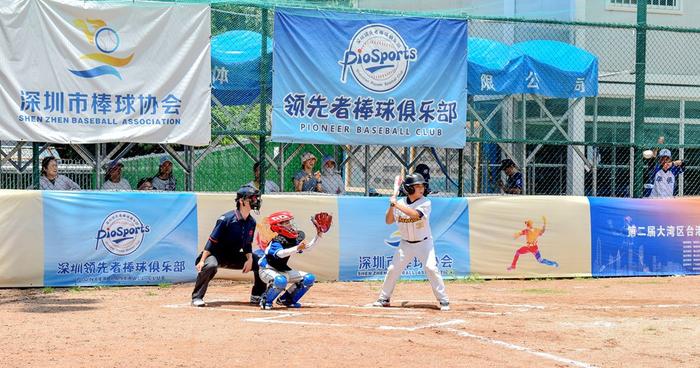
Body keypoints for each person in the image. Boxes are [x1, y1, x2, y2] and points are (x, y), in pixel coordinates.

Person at [372, 173, 450, 311]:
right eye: (418, 186)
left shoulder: (425, 202)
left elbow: (415, 215)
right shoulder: (399, 203)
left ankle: (443, 300)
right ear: (409, 189)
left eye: (422, 186)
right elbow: (388, 220)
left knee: (431, 268)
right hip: (405, 244)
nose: (421, 189)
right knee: (393, 269)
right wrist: (392, 205)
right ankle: (384, 298)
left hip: (424, 243)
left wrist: (396, 205)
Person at [191, 186, 266, 307]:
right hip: (215, 255)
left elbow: (247, 244)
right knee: (211, 265)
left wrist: (250, 259)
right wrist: (202, 260)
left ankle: (257, 295)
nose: (255, 200)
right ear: (241, 201)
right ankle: (197, 297)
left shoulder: (251, 222)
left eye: (256, 198)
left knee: (261, 262)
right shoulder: (226, 219)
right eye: (252, 198)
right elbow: (212, 240)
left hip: (233, 256)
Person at [258, 211, 321, 309]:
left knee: (309, 278)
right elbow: (280, 254)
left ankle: (286, 299)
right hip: (267, 269)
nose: (290, 225)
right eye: (286, 223)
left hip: (281, 270)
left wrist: (319, 235)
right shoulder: (276, 241)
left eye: (289, 222)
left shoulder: (293, 239)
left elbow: (308, 248)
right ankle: (266, 301)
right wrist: (296, 248)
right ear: (278, 226)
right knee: (280, 281)